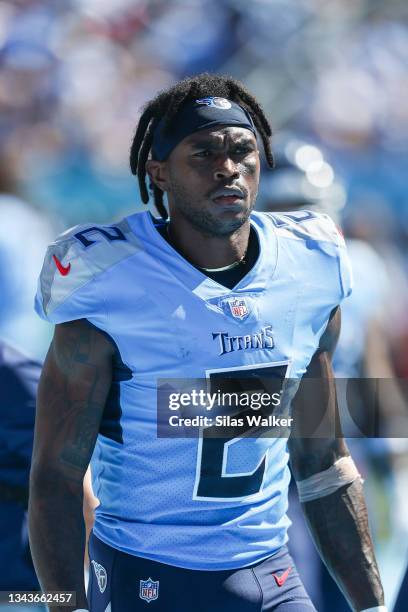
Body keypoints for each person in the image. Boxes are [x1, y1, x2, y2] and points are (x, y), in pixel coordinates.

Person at [29, 74, 386, 612]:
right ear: (159, 172)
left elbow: (321, 460)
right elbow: (55, 476)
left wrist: (373, 605)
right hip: (146, 575)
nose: (228, 168)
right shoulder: (108, 279)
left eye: (243, 151)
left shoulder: (310, 267)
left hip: (270, 569)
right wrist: (66, 606)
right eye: (204, 153)